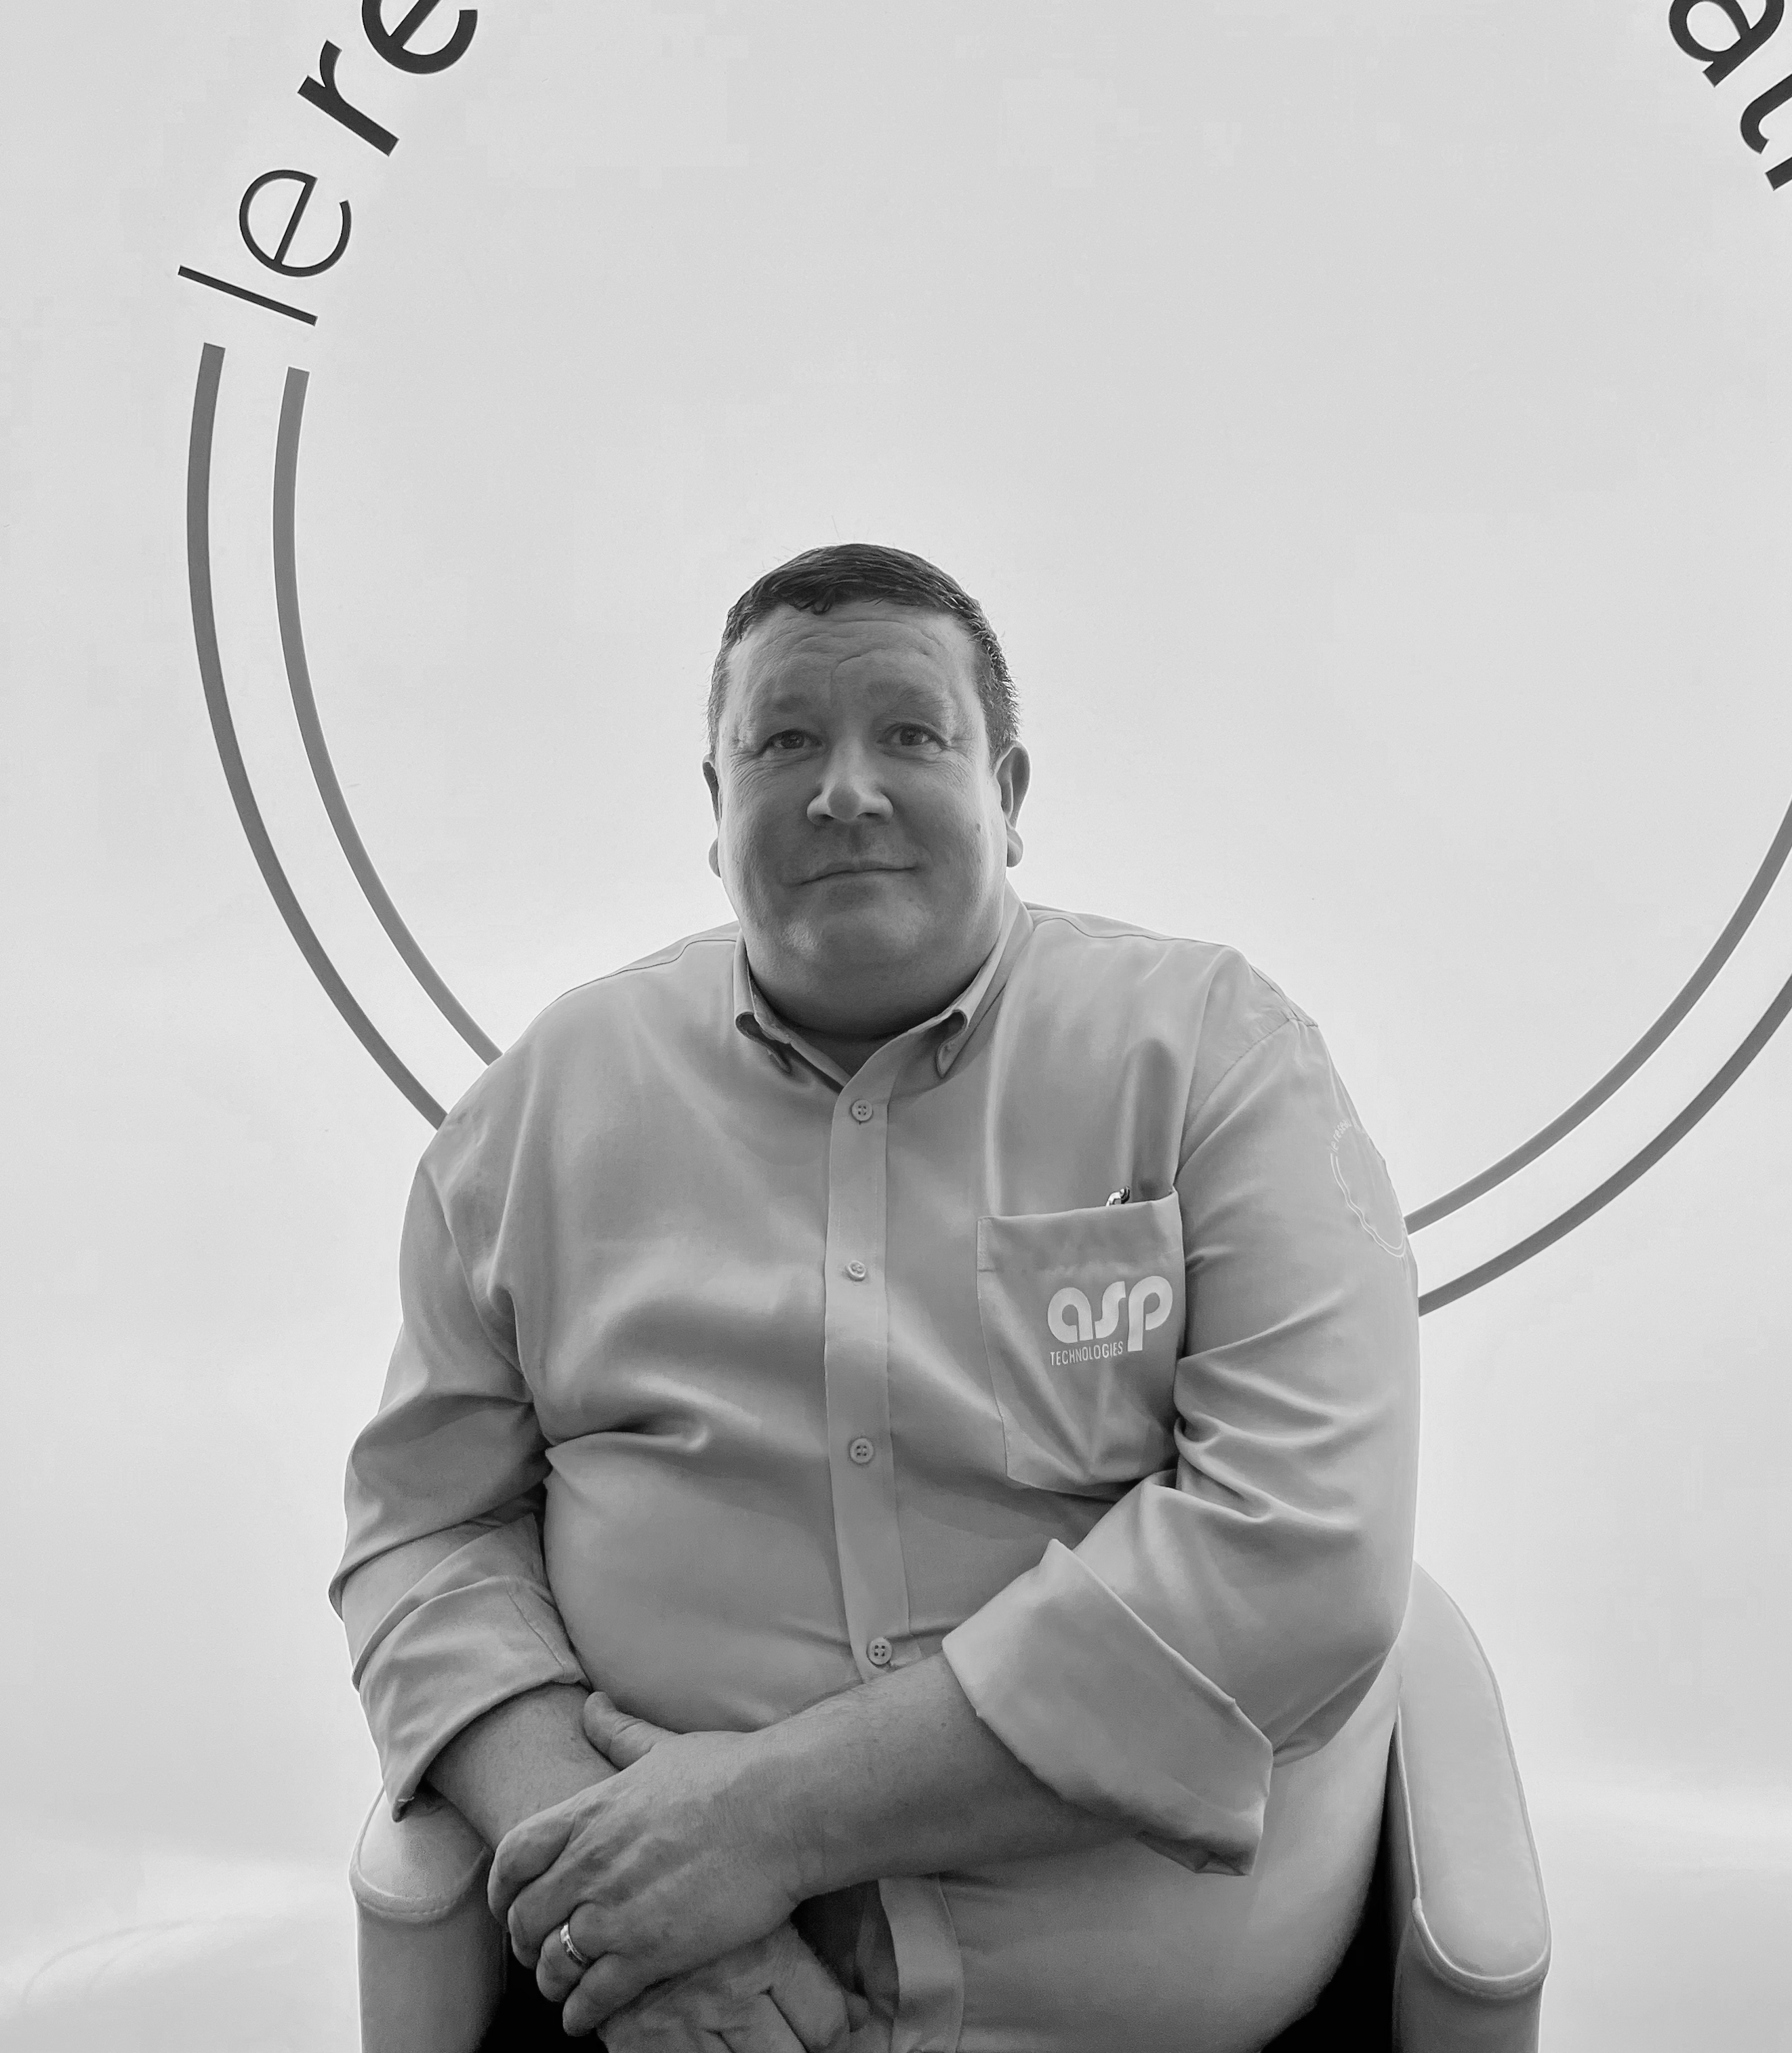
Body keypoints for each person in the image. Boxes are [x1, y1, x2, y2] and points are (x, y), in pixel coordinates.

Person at [333, 544, 1421, 2053]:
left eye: (911, 733)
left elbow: (1306, 1551)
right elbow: (424, 1533)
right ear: (716, 807)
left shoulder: (1214, 1054)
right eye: (783, 742)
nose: (846, 789)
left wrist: (759, 1828)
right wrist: (616, 1888)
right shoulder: (541, 1107)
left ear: (1009, 792)